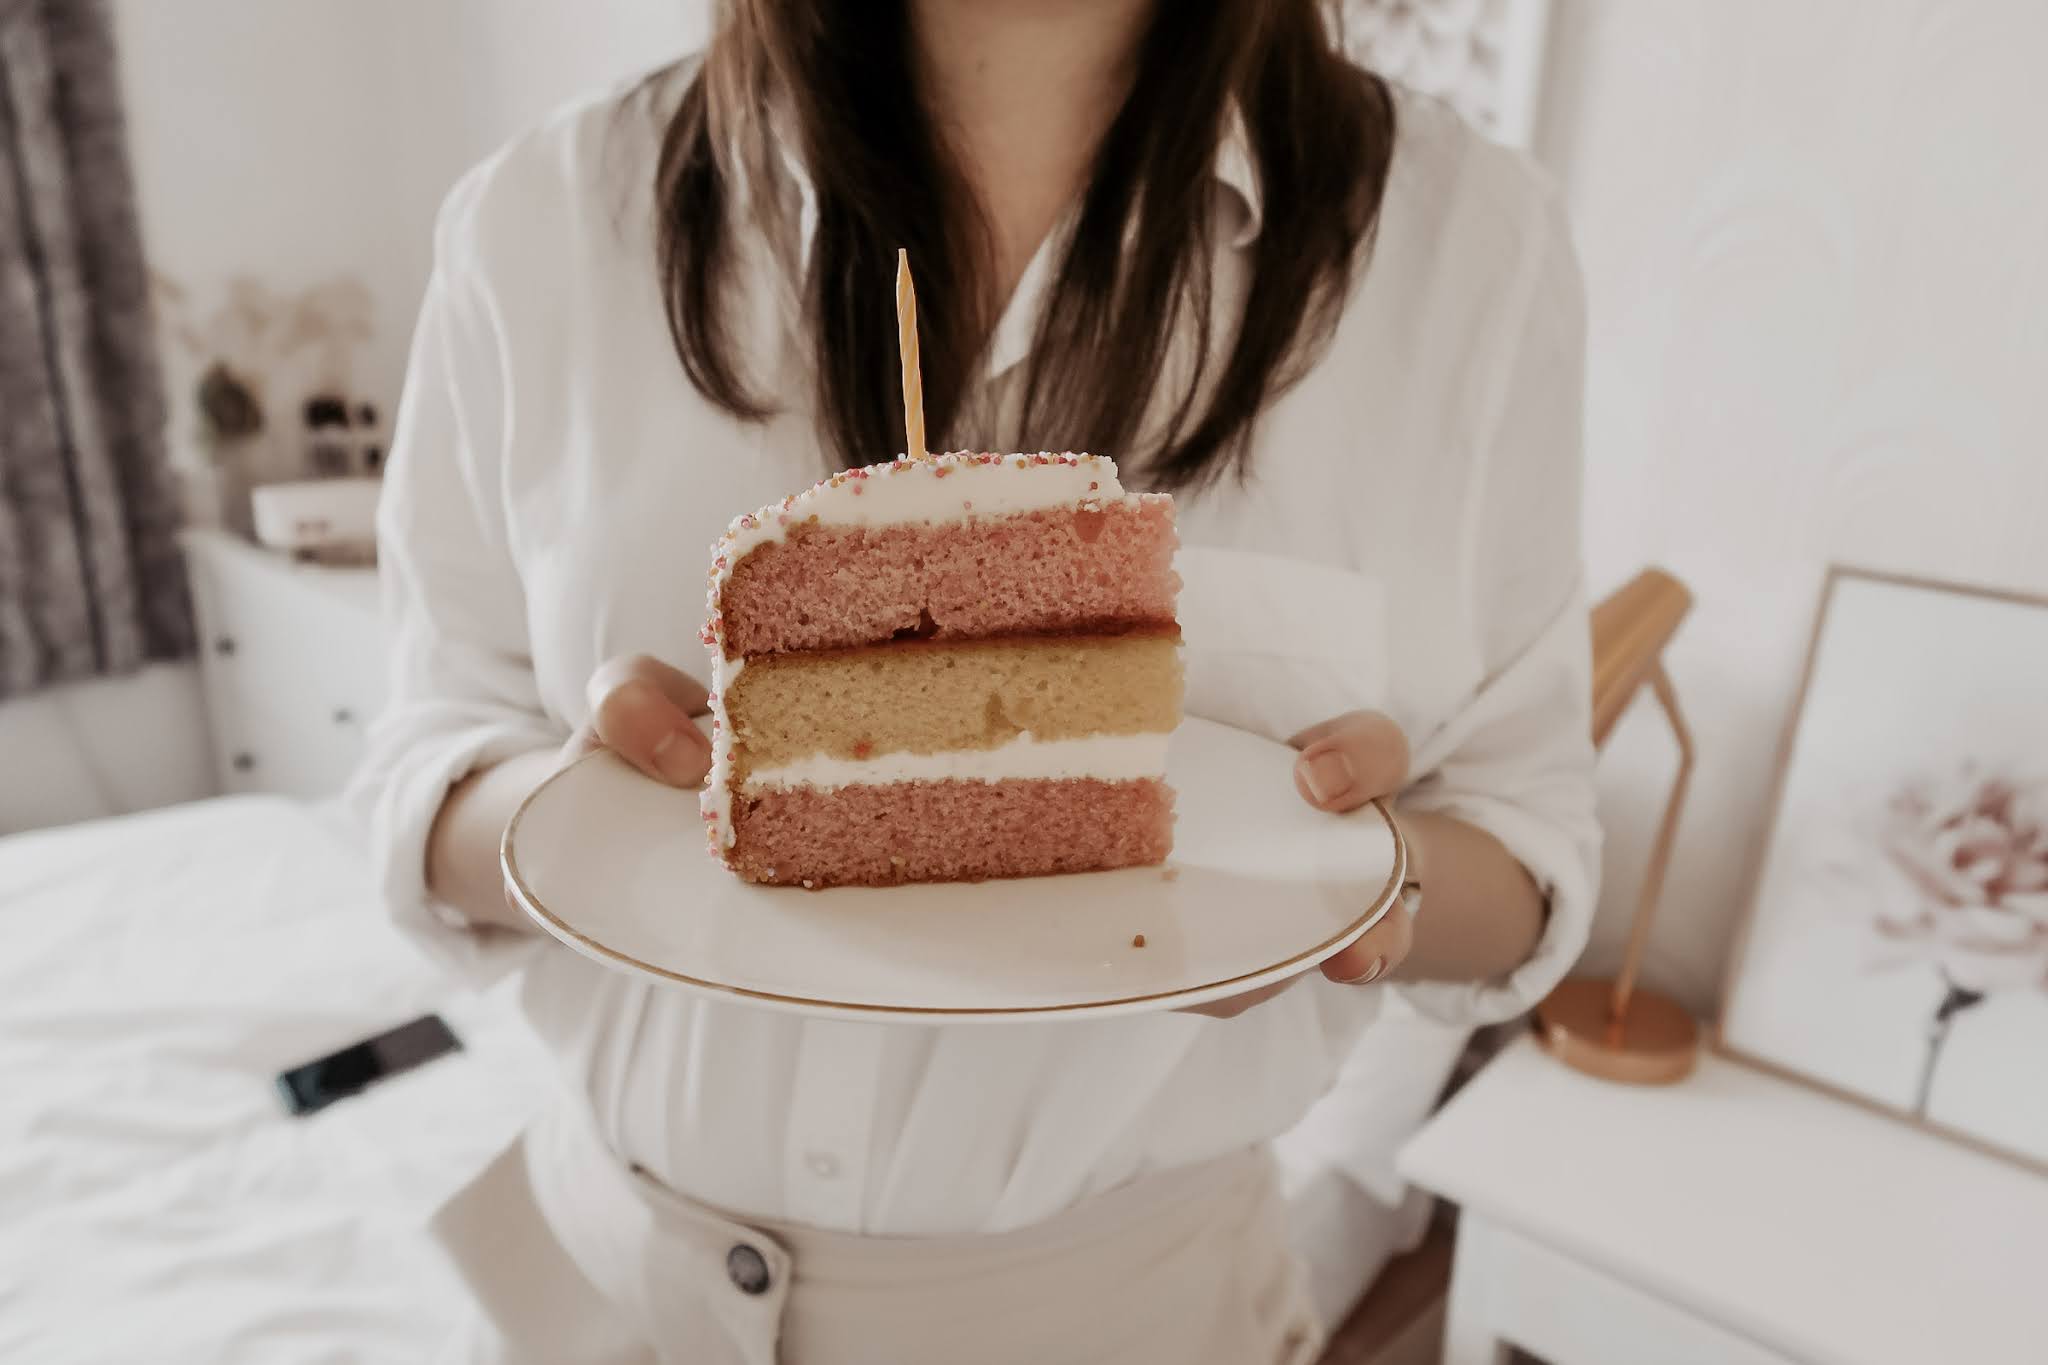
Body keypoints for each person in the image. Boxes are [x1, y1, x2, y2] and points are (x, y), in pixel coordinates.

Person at [352, 1, 1599, 1360]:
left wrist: (1357, 884)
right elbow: (425, 770)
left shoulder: (1469, 248)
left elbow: (1525, 857)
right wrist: (597, 804)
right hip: (609, 1293)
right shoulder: (536, 215)